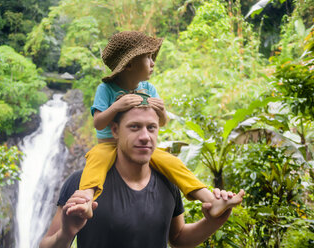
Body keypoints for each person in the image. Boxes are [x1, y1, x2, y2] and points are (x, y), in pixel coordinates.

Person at [78, 31, 243, 218]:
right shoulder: (106, 89)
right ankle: (85, 201)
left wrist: (162, 111)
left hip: (141, 147)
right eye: (147, 57)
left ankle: (210, 200)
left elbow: (162, 122)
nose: (153, 62)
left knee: (172, 162)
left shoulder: (149, 88)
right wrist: (116, 107)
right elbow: (98, 123)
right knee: (95, 161)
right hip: (108, 145)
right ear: (130, 64)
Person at [40, 104, 245, 248]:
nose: (145, 137)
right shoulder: (83, 184)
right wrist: (66, 233)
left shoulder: (168, 182)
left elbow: (178, 238)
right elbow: (46, 246)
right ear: (115, 131)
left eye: (151, 128)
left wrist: (214, 221)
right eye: (134, 127)